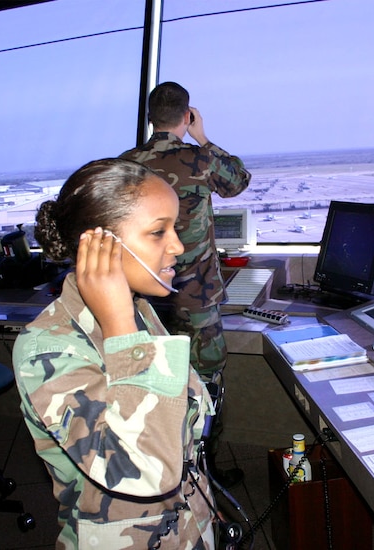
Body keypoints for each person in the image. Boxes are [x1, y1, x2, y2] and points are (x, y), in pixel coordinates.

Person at [12, 158, 217, 549]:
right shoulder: (50, 348)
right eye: (158, 232)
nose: (177, 245)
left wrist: (202, 506)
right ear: (100, 245)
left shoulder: (137, 309)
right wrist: (120, 323)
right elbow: (145, 471)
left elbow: (174, 433)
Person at [120, 82, 251, 487]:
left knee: (148, 382)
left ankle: (156, 469)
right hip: (195, 297)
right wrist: (203, 137)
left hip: (141, 298)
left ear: (149, 116)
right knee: (206, 383)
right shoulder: (199, 159)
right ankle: (205, 471)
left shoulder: (126, 164)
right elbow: (239, 182)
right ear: (186, 115)